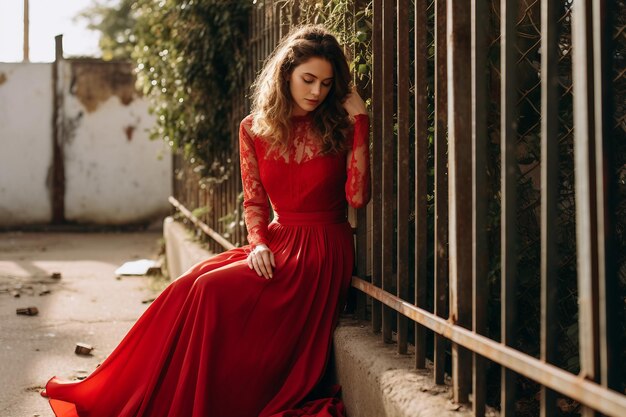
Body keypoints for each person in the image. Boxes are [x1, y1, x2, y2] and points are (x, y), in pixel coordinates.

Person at [42, 23, 370, 417]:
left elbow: (356, 197)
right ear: (286, 74)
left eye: (327, 83)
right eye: (308, 79)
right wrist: (260, 243)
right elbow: (254, 202)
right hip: (277, 242)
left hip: (321, 250)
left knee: (210, 289)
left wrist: (361, 122)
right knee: (184, 287)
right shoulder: (254, 127)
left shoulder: (339, 126)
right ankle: (135, 395)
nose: (317, 91)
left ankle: (193, 405)